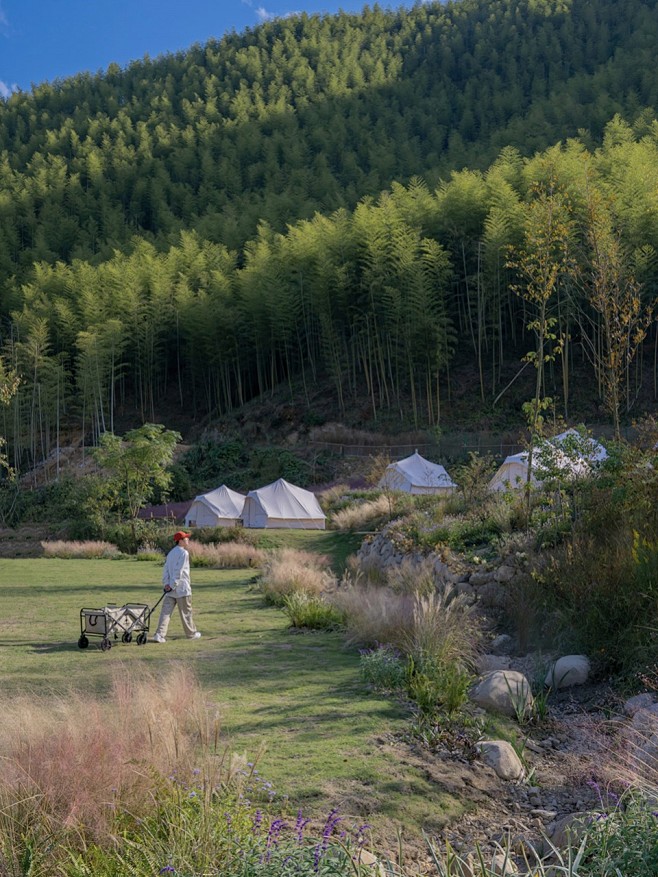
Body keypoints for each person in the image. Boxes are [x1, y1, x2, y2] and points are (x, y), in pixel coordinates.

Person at [152, 531, 201, 643]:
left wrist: (167, 584)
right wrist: (172, 585)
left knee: (165, 612)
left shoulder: (170, 553)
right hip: (181, 588)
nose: (187, 540)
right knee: (186, 612)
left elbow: (166, 570)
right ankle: (191, 634)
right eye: (185, 538)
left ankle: (159, 634)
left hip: (170, 588)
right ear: (180, 541)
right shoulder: (184, 553)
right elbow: (178, 571)